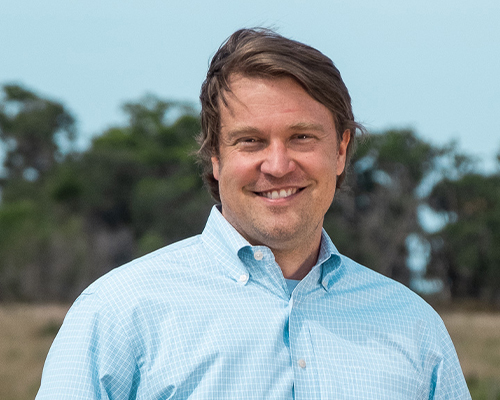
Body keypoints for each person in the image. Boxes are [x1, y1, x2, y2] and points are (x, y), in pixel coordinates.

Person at [36, 28, 471, 399]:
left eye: (301, 137)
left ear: (339, 150)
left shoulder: (414, 328)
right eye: (250, 141)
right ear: (215, 158)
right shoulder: (118, 313)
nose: (278, 165)